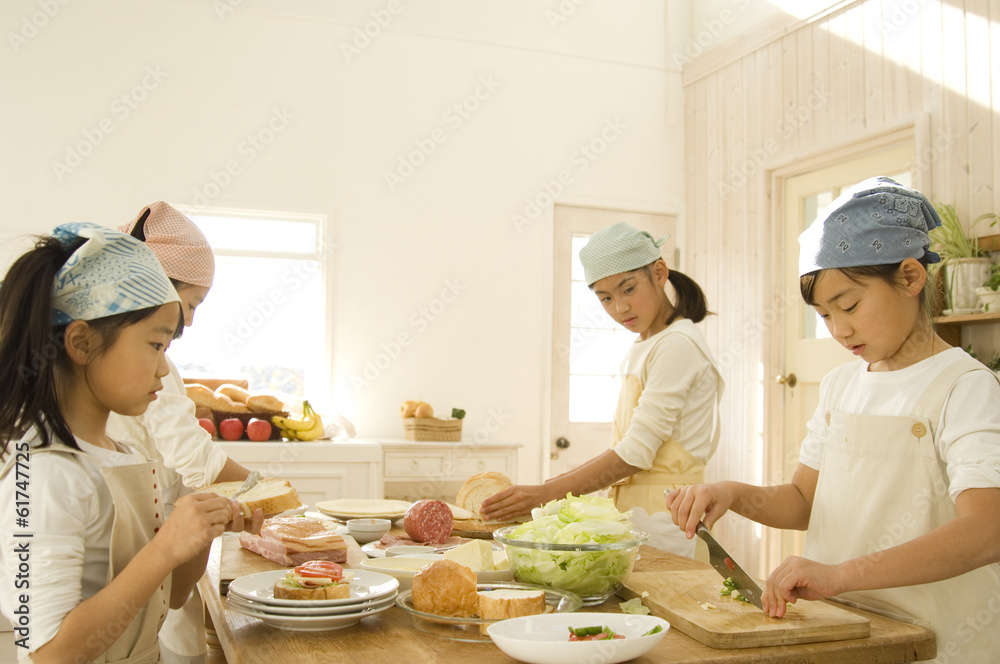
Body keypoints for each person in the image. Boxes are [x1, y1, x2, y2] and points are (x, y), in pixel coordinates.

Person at [667, 177, 1000, 661]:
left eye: (849, 306)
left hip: (938, 639)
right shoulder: (841, 385)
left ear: (910, 278)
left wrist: (840, 573)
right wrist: (732, 494)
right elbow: (804, 500)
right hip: (845, 629)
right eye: (824, 315)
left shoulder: (964, 386)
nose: (839, 330)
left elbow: (987, 530)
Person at [0, 223, 260, 663]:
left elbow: (172, 595)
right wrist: (166, 547)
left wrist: (200, 533)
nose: (164, 370)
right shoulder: (41, 472)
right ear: (81, 342)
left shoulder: (128, 455)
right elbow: (50, 654)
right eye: (155, 345)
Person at [481, 222, 724, 558]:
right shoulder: (650, 343)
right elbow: (628, 445)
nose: (619, 308)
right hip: (642, 514)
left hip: (668, 519)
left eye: (628, 289)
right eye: (605, 298)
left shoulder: (676, 345)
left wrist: (546, 493)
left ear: (659, 272)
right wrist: (551, 490)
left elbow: (636, 454)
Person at [108, 201, 254, 664]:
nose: (189, 322)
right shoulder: (149, 368)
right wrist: (263, 497)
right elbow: (193, 456)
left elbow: (170, 593)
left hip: (151, 588)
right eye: (190, 304)